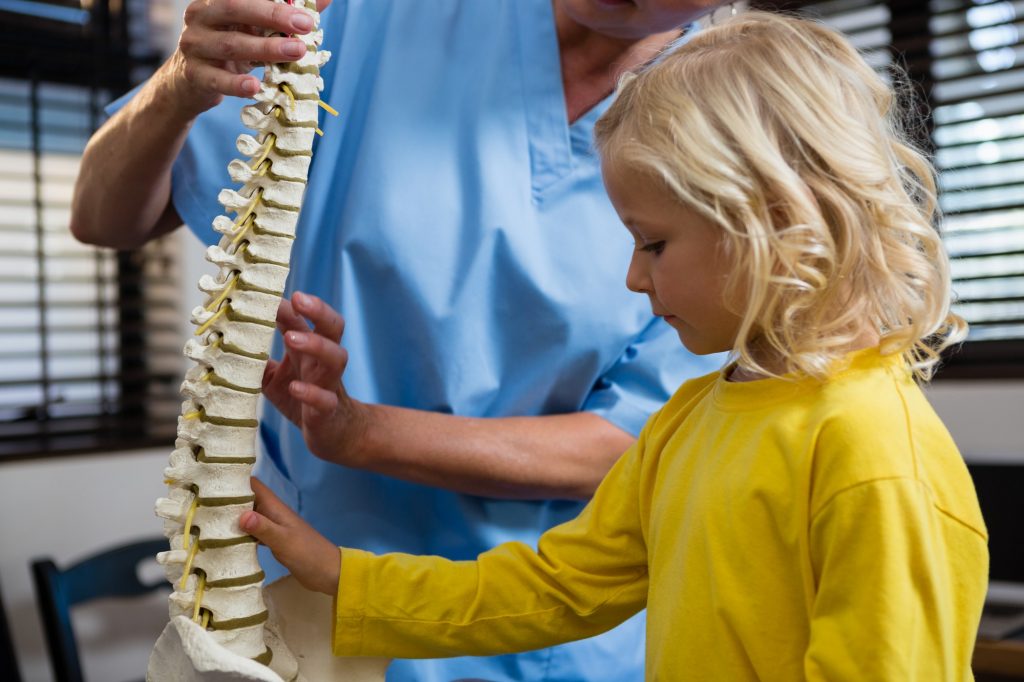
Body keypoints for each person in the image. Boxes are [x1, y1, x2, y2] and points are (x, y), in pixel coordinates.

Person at [239, 10, 990, 680]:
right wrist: (340, 573)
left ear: (776, 225)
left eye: (654, 244)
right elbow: (555, 589)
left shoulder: (873, 458)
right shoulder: (690, 421)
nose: (633, 278)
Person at [70, 1, 728, 679]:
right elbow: (101, 217)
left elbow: (647, 439)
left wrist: (361, 432)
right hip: (309, 602)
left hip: (549, 623)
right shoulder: (374, 18)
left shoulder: (738, 113)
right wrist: (181, 83)